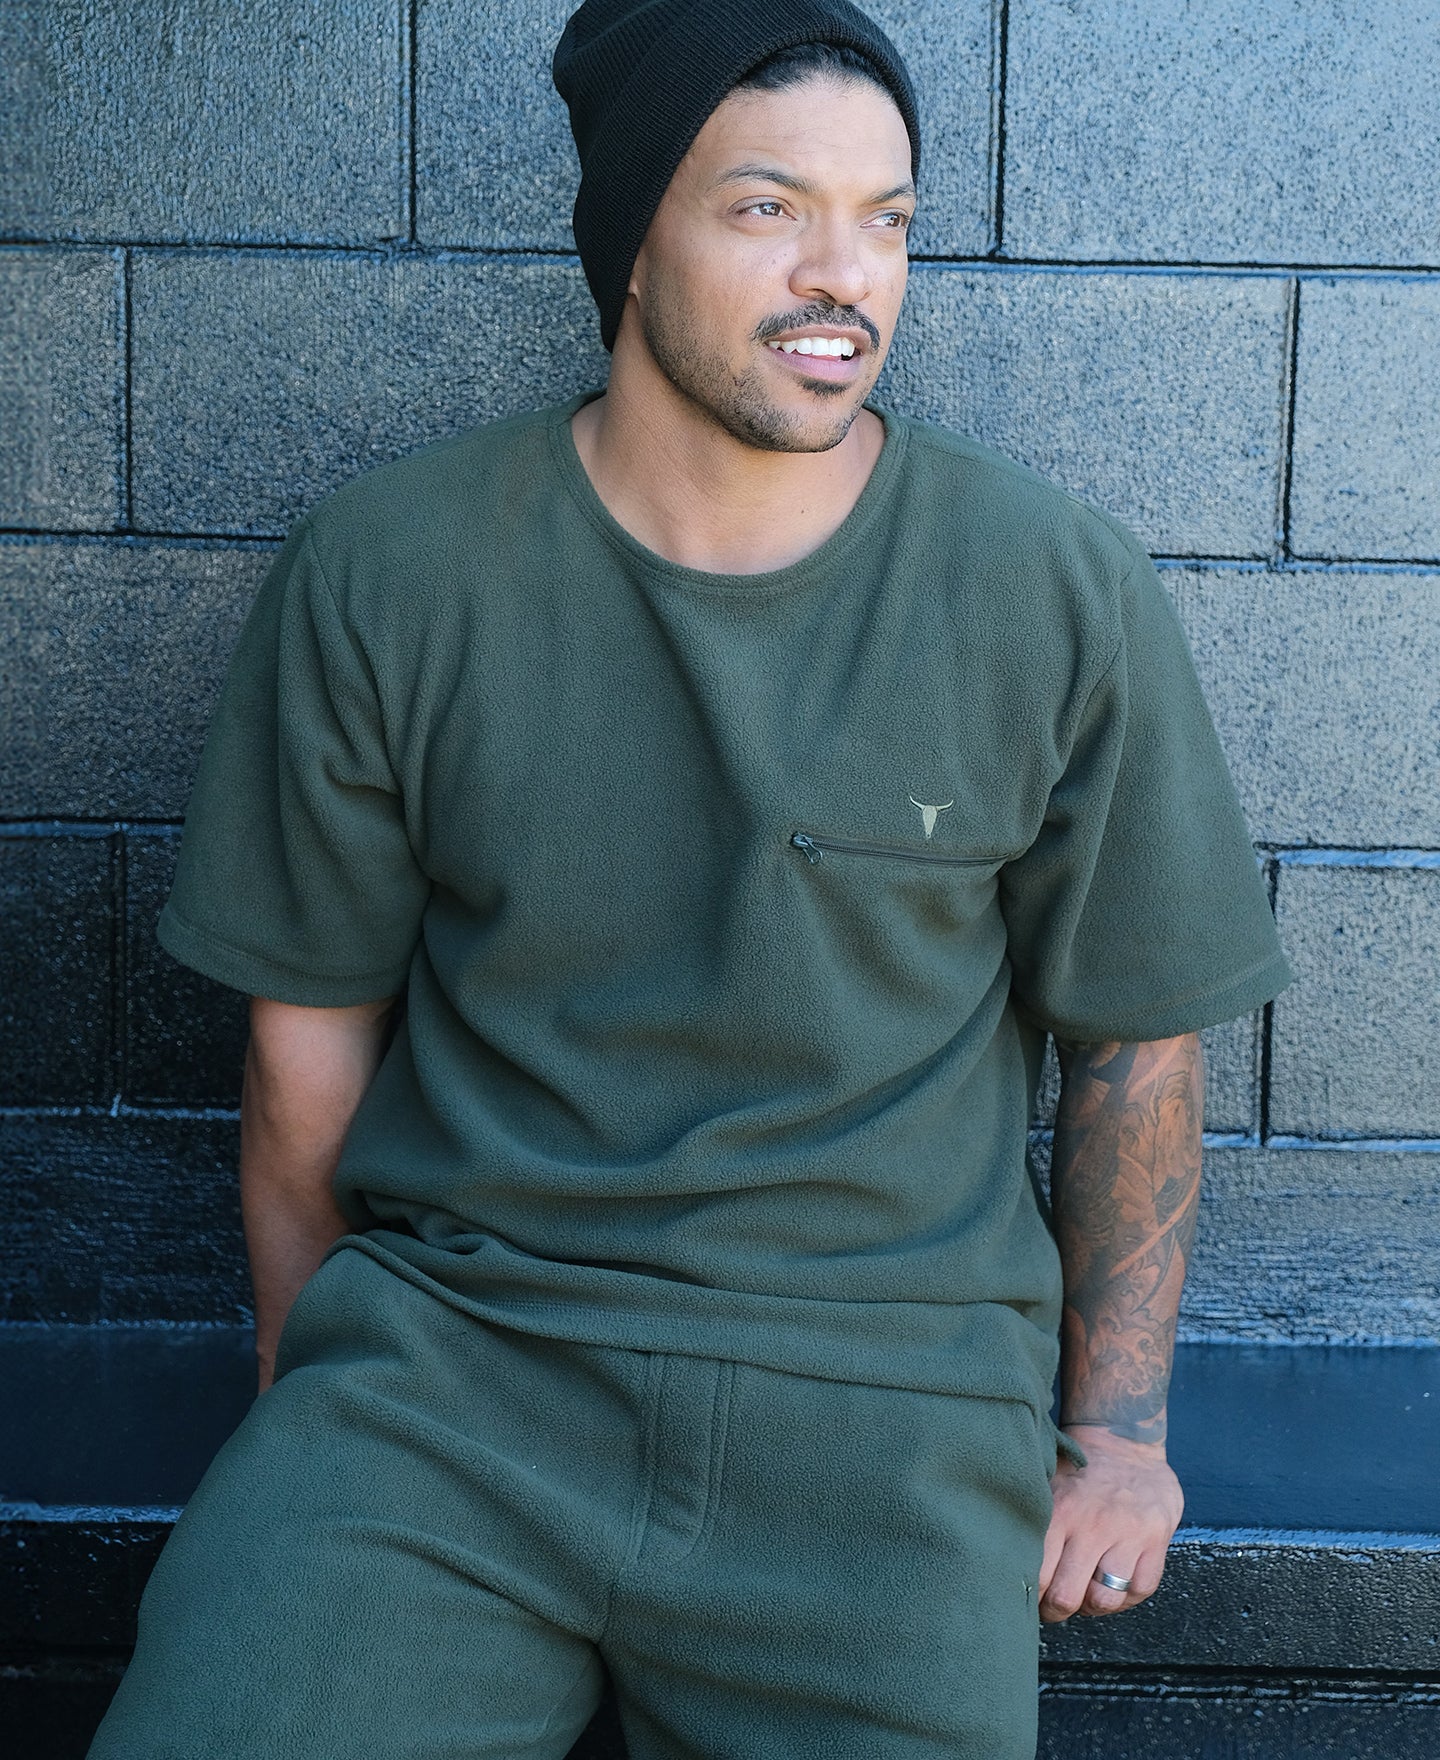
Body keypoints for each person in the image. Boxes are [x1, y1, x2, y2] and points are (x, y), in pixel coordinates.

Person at [86, 2, 1291, 1756]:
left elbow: (1136, 1041)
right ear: (629, 237)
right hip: (453, 1381)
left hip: (884, 1416)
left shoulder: (1049, 588)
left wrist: (1117, 1438)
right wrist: (304, 1397)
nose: (843, 276)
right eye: (767, 208)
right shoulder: (393, 569)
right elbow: (305, 1050)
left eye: (887, 219)